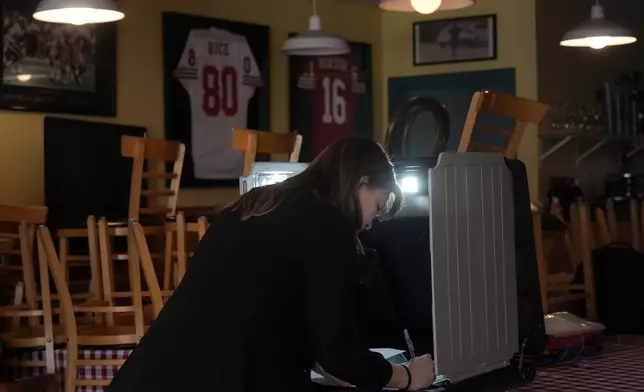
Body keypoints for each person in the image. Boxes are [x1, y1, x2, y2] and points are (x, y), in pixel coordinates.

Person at [107, 138, 436, 392]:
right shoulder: (328, 223)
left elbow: (268, 314)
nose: (369, 224)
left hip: (152, 373)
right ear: (359, 183)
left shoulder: (256, 203)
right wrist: (406, 375)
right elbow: (337, 350)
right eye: (375, 207)